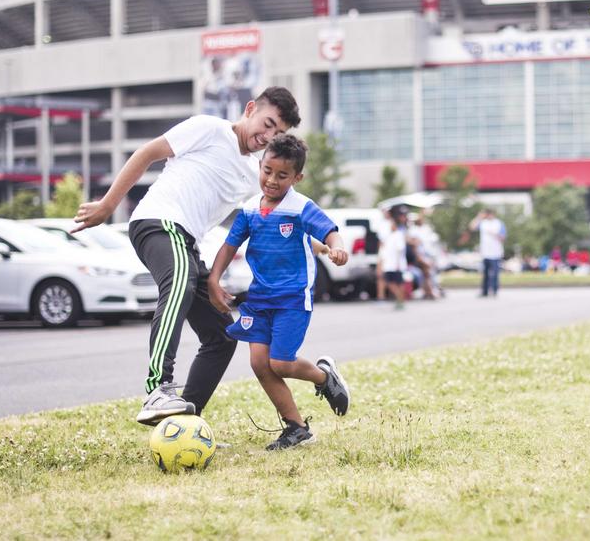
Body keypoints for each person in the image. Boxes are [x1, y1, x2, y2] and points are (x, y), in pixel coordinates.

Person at [73, 87, 300, 426]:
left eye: (277, 133)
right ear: (250, 109)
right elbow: (147, 153)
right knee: (179, 281)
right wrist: (108, 205)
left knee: (223, 334)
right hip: (157, 221)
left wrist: (325, 240)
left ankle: (181, 423)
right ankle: (157, 389)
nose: (266, 136)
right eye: (266, 124)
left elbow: (292, 208)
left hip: (186, 241)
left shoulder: (256, 171)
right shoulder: (210, 128)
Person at [207, 134, 351, 449]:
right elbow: (229, 246)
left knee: (282, 363)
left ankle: (324, 377)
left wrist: (337, 249)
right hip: (259, 299)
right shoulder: (248, 210)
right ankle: (296, 428)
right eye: (267, 171)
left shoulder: (300, 207)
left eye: (282, 175)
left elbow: (329, 231)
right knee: (260, 364)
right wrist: (213, 279)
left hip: (292, 298)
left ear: (297, 177)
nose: (272, 180)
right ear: (260, 165)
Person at [470, 209, 506, 297]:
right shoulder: (483, 223)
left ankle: (494, 290)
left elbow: (503, 237)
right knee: (485, 273)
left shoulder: (499, 223)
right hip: (485, 252)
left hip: (496, 252)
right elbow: (472, 227)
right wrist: (479, 217)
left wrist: (494, 234)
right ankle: (485, 291)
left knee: (495, 273)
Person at [380, 210, 409, 310]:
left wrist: (397, 263)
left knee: (397, 282)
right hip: (389, 264)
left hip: (396, 264)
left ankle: (400, 299)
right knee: (391, 282)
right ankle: (399, 299)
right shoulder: (390, 236)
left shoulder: (398, 235)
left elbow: (400, 249)